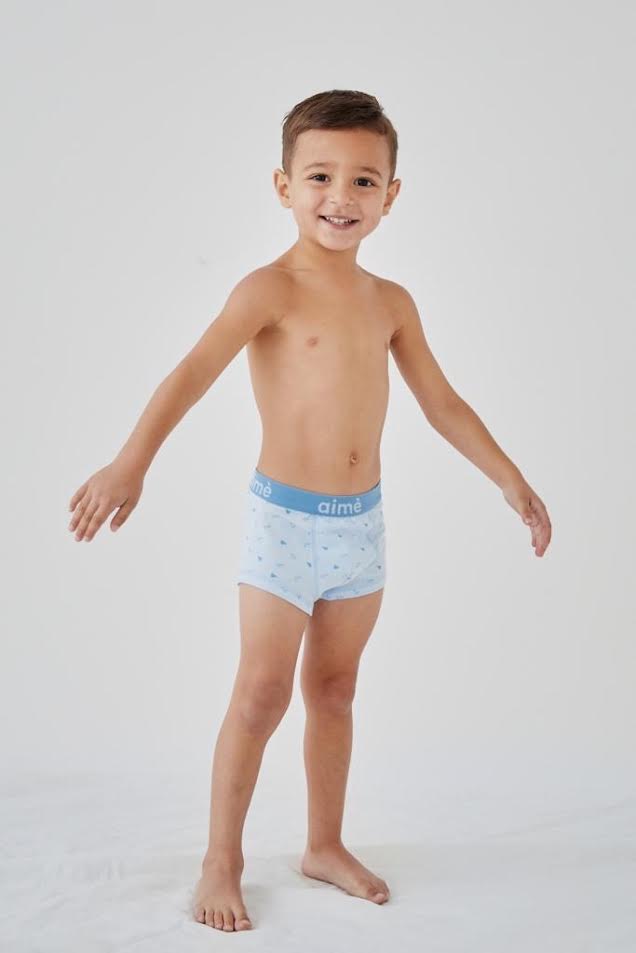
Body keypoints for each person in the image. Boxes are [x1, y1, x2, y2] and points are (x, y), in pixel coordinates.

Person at [67, 88, 552, 932]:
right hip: (284, 525)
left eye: (364, 180)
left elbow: (441, 402)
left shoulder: (391, 302)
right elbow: (191, 373)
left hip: (362, 526)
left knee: (335, 688)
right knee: (261, 693)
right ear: (283, 185)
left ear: (391, 194)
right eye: (320, 176)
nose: (341, 196)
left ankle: (324, 844)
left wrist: (508, 478)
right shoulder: (269, 290)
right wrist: (130, 461)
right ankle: (221, 857)